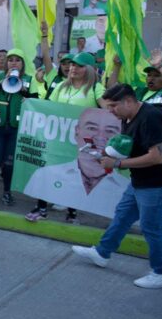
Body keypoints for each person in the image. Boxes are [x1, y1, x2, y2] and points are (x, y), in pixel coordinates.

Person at [72, 84, 162, 288]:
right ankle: (102, 253)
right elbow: (133, 147)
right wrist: (108, 154)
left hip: (158, 183)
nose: (110, 111)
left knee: (152, 228)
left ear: (128, 101)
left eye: (113, 106)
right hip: (140, 181)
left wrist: (117, 163)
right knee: (123, 215)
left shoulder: (150, 117)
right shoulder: (128, 117)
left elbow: (157, 156)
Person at [26, 51, 106, 223]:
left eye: (79, 65)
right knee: (48, 172)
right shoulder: (62, 86)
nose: (73, 68)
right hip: (57, 139)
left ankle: (72, 213)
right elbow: (49, 107)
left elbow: (107, 111)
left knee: (76, 176)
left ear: (90, 69)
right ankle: (41, 208)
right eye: (72, 65)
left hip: (79, 143)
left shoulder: (95, 88)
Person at [0, 48, 42, 205]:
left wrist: (24, 92)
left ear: (23, 64)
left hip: (17, 128)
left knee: (9, 163)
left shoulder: (30, 80)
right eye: (11, 60)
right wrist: (3, 82)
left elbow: (36, 101)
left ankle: (7, 192)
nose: (13, 63)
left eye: (17, 60)